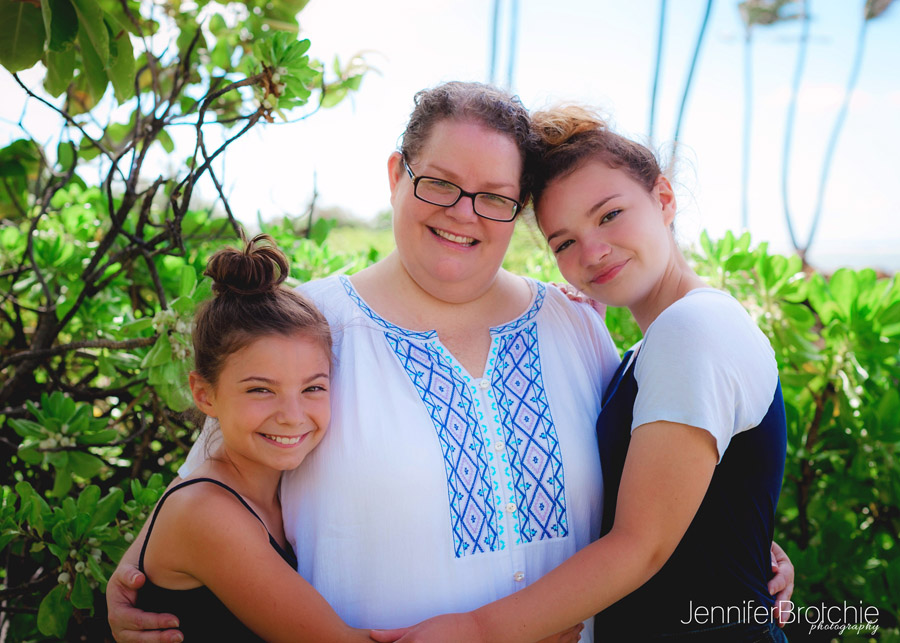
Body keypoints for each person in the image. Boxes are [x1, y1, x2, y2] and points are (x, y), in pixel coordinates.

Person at [107, 84, 792, 643]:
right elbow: (217, 473)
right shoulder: (311, 328)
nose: (463, 213)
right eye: (439, 183)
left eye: (494, 196)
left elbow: (657, 485)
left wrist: (744, 544)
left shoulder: (575, 325)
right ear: (396, 175)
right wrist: (136, 568)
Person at [369, 105, 791, 642]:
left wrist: (475, 631)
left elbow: (642, 545)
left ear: (663, 199)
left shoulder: (694, 327)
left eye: (610, 215)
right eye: (563, 242)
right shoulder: (648, 347)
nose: (592, 251)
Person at [132, 234, 370, 641]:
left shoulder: (283, 494)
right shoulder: (206, 512)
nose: (293, 417)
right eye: (261, 390)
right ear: (205, 394)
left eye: (313, 388)